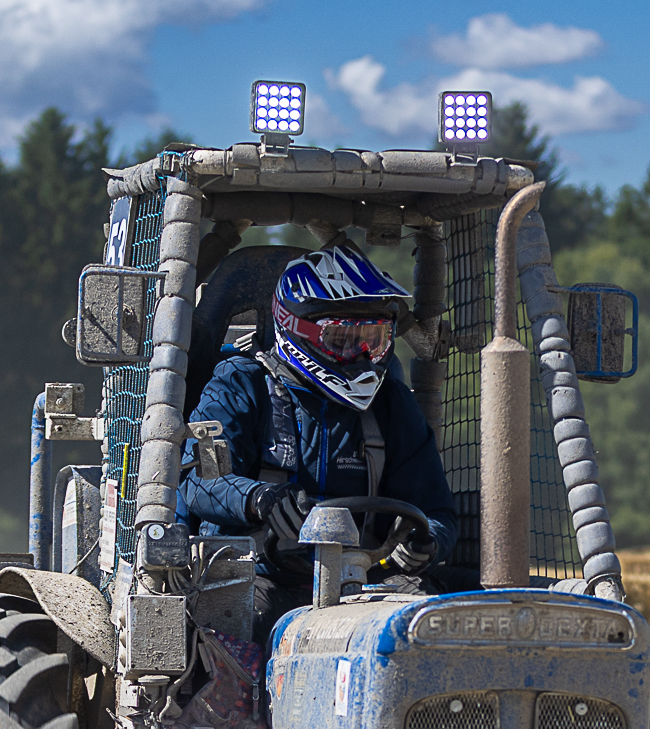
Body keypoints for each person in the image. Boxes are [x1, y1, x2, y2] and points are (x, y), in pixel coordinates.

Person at [178, 243, 461, 642]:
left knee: (425, 627)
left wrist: (427, 542)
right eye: (343, 339)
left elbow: (437, 512)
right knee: (240, 624)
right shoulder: (238, 384)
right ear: (295, 328)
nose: (362, 356)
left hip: (366, 582)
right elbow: (200, 482)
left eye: (375, 340)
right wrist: (261, 499)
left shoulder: (392, 405)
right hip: (259, 575)